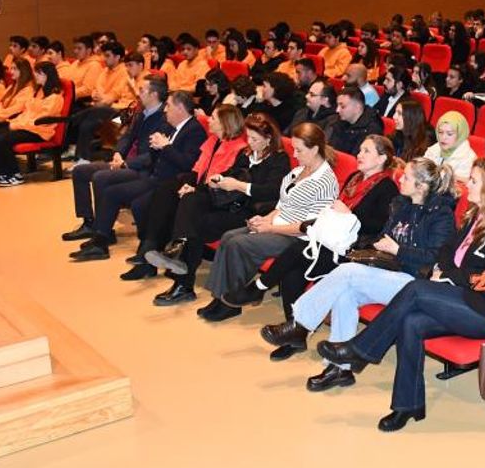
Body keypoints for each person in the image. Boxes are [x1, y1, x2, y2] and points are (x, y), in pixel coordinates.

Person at [314, 158, 485, 431]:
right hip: (462, 298)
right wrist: (446, 270)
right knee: (411, 322)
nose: (468, 185)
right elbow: (446, 251)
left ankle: (361, 349)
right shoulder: (477, 216)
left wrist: (449, 276)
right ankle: (407, 405)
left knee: (415, 289)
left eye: (474, 181)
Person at [258, 156, 457, 389]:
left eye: (407, 177)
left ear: (420, 186)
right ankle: (339, 369)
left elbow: (435, 258)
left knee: (347, 272)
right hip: (389, 272)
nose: (400, 179)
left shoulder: (440, 214)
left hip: (415, 283)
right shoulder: (401, 204)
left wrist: (398, 250)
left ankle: (300, 324)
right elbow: (384, 237)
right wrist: (377, 245)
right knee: (346, 294)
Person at [245, 135, 402, 337]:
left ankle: (261, 287)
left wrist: (349, 214)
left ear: (381, 158)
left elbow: (379, 227)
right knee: (294, 272)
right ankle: (295, 332)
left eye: (366, 151)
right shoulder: (355, 177)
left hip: (353, 248)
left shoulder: (387, 187)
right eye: (360, 150)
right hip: (331, 237)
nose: (359, 155)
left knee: (297, 250)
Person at [197, 122, 340, 322]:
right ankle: (222, 298)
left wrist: (270, 228)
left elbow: (309, 226)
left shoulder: (325, 181)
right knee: (229, 237)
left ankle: (229, 303)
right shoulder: (299, 171)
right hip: (277, 225)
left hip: (296, 237)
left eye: (299, 150)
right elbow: (282, 205)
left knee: (238, 244)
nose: (295, 155)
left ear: (315, 149)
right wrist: (264, 219)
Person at [144, 113, 291, 305]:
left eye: (255, 139)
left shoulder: (279, 160)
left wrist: (239, 186)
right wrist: (213, 182)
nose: (250, 142)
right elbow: (230, 173)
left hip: (250, 212)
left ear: (269, 139)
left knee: (197, 224)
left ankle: (182, 279)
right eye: (248, 137)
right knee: (191, 198)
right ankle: (179, 247)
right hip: (228, 202)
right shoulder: (246, 154)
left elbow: (272, 191)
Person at [68, 90, 208, 260]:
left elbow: (188, 164)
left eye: (169, 106)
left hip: (171, 182)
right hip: (156, 177)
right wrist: (156, 146)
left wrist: (165, 147)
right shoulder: (170, 126)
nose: (165, 110)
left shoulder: (195, 131)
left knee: (135, 202)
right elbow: (148, 151)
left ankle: (145, 247)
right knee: (111, 192)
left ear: (180, 108)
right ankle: (100, 241)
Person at [120, 104, 248, 280]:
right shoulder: (213, 141)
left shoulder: (239, 149)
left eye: (213, 118)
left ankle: (160, 256)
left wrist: (194, 188)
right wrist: (187, 184)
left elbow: (221, 181)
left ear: (225, 123)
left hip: (217, 196)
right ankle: (149, 249)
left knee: (182, 201)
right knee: (166, 190)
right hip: (202, 188)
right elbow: (197, 171)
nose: (209, 121)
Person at [0, 62, 67, 187]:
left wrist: (18, 125)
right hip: (28, 127)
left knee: (3, 139)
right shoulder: (39, 92)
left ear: (47, 75)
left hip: (40, 131)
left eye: (38, 73)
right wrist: (16, 123)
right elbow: (27, 112)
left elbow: (40, 119)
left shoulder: (55, 97)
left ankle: (15, 174)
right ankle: (4, 172)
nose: (35, 75)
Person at [423, 110, 477, 179]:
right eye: (440, 132)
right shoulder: (435, 148)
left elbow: (459, 184)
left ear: (460, 135)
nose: (443, 137)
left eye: (449, 134)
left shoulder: (469, 158)